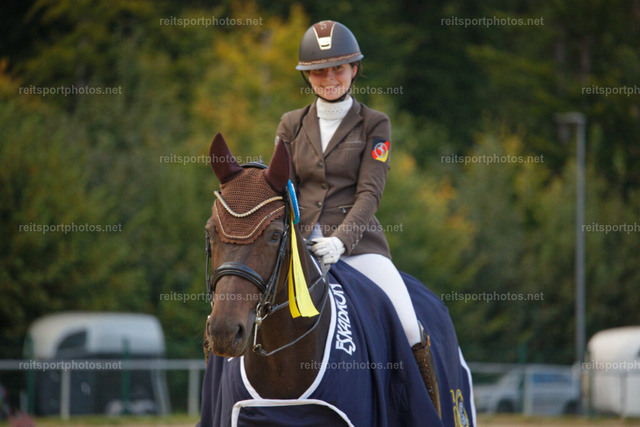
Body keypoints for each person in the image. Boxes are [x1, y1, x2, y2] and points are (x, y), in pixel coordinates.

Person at [275, 20, 440, 412]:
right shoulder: (291, 124)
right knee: (242, 306)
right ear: (307, 76)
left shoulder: (374, 123)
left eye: (338, 68)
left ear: (354, 69)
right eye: (319, 71)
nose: (329, 78)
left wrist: (340, 241)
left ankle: (426, 413)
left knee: (408, 324)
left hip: (359, 246)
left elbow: (370, 193)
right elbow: (282, 187)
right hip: (301, 246)